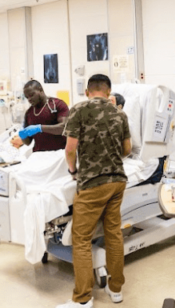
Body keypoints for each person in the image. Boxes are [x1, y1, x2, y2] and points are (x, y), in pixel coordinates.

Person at [58, 74, 131, 308]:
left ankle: (82, 299)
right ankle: (116, 289)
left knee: (81, 239)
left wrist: (73, 171)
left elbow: (70, 149)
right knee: (113, 233)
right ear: (108, 92)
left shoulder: (79, 110)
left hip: (92, 184)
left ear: (87, 91)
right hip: (118, 181)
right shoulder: (120, 114)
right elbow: (127, 149)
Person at [11, 80, 70, 152]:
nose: (29, 99)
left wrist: (40, 128)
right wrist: (23, 135)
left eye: (32, 95)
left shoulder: (57, 105)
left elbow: (64, 128)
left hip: (59, 153)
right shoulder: (29, 113)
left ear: (40, 89)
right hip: (39, 155)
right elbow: (28, 142)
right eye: (27, 97)